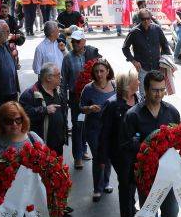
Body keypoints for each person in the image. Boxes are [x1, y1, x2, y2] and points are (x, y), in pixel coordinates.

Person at [123, 70, 181, 217]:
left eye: (162, 90)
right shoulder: (133, 116)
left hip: (168, 175)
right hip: (146, 177)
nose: (158, 94)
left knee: (172, 213)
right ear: (145, 90)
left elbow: (179, 141)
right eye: (154, 90)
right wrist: (144, 146)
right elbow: (126, 147)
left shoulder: (172, 113)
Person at [101, 68, 140, 217]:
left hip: (136, 151)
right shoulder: (112, 105)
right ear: (127, 84)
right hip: (119, 153)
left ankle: (131, 206)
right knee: (125, 184)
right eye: (136, 80)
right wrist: (102, 157)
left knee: (133, 182)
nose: (139, 82)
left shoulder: (138, 99)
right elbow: (104, 133)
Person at [61, 30, 101, 169]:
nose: (75, 44)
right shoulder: (67, 58)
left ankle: (84, 150)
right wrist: (63, 98)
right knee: (77, 126)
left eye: (78, 41)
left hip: (91, 96)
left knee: (87, 125)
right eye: (73, 41)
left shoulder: (92, 54)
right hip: (75, 97)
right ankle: (77, 157)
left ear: (84, 42)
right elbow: (63, 81)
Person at [79, 59, 116, 202]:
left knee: (108, 157)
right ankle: (97, 189)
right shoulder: (88, 88)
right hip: (94, 129)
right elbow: (81, 107)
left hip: (110, 128)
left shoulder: (114, 85)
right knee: (98, 158)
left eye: (102, 71)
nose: (99, 74)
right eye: (96, 71)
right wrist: (89, 108)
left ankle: (105, 183)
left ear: (108, 71)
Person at [19, 62, 68, 158]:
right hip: (41, 146)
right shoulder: (30, 94)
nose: (61, 77)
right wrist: (44, 110)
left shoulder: (58, 90)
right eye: (58, 75)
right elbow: (22, 115)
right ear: (49, 78)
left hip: (58, 143)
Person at [122, 9, 171, 95]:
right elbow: (125, 48)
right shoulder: (134, 32)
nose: (146, 21)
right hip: (142, 68)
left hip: (157, 66)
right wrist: (133, 61)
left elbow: (165, 44)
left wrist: (166, 59)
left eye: (148, 18)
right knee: (143, 94)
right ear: (139, 20)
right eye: (143, 19)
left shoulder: (157, 29)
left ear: (151, 18)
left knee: (157, 92)